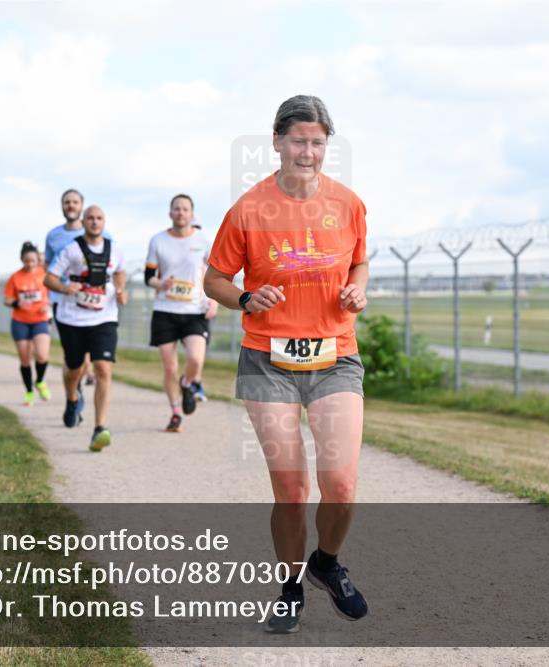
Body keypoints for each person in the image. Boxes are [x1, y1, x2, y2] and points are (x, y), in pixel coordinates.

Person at [203, 95, 370, 634]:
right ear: (276, 141)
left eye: (318, 142)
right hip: (268, 361)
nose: (308, 151)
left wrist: (357, 291)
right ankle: (291, 586)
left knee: (341, 483)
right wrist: (246, 300)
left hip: (336, 356)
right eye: (298, 140)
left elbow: (360, 261)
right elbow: (215, 281)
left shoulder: (349, 203)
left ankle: (327, 562)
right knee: (292, 488)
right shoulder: (249, 209)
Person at [44, 204, 127, 451]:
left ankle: (99, 428)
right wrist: (65, 288)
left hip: (104, 317)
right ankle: (72, 398)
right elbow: (49, 278)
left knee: (103, 368)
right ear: (83, 221)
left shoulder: (115, 250)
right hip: (72, 318)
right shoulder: (71, 250)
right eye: (90, 218)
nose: (94, 222)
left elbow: (120, 273)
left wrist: (121, 290)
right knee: (75, 368)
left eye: (99, 218)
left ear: (104, 222)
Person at [145, 193, 218, 433]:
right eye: (176, 209)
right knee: (169, 367)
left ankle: (187, 383)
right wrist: (161, 284)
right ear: (170, 213)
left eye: (185, 209)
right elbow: (148, 278)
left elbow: (216, 273)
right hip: (165, 310)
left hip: (194, 310)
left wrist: (213, 300)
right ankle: (176, 413)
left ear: (191, 213)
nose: (180, 213)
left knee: (196, 359)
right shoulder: (158, 241)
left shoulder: (203, 239)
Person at [45, 189, 112, 389]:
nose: (71, 205)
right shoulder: (53, 236)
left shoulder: (102, 234)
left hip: (92, 299)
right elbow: (48, 268)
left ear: (81, 207)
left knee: (91, 349)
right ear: (62, 206)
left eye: (75, 202)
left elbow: (113, 265)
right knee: (73, 355)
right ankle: (76, 388)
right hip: (61, 300)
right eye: (67, 202)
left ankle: (85, 376)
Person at [4, 242, 52, 406]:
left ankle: (39, 381)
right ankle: (29, 392)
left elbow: (54, 293)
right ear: (21, 260)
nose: (30, 264)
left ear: (37, 259)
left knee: (42, 355)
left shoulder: (44, 273)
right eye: (26, 261)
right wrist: (17, 303)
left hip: (40, 319)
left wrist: (48, 304)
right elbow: (7, 300)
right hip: (20, 321)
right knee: (25, 359)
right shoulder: (15, 277)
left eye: (32, 260)